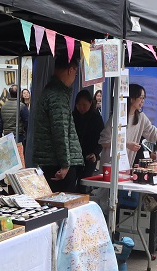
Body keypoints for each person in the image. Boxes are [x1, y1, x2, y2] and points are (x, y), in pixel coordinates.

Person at [100, 83, 157, 168]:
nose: (143, 101)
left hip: (126, 165)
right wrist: (126, 144)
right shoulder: (117, 118)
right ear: (131, 99)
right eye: (140, 98)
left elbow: (154, 132)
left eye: (143, 98)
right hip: (110, 165)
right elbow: (104, 142)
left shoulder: (140, 117)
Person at [32, 54, 85, 192]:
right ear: (71, 70)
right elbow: (60, 131)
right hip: (57, 165)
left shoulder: (50, 92)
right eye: (75, 73)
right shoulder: (57, 96)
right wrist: (65, 164)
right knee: (62, 207)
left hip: (51, 161)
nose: (74, 78)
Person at [72, 89, 105, 182]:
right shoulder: (73, 116)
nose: (81, 108)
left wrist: (95, 153)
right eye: (79, 105)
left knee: (84, 182)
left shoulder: (96, 117)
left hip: (89, 156)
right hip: (74, 156)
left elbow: (101, 137)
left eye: (84, 105)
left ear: (90, 103)